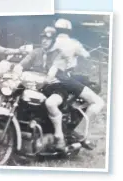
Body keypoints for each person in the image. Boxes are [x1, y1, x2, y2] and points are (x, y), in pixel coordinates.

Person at [43, 19, 105, 150]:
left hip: (50, 78)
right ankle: (80, 132)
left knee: (85, 82)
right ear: (69, 30)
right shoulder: (74, 43)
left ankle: (74, 110)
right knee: (99, 102)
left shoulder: (51, 42)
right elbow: (86, 55)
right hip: (64, 78)